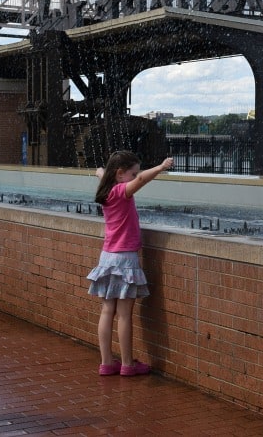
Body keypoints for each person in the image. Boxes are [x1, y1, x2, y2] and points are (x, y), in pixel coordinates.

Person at [87, 151, 174, 376]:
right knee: (124, 314)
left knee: (107, 311)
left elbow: (102, 174)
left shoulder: (105, 191)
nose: (136, 177)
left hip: (107, 257)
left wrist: (100, 172)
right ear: (120, 174)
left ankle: (106, 362)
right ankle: (127, 364)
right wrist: (161, 166)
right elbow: (143, 180)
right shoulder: (121, 192)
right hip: (125, 258)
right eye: (133, 173)